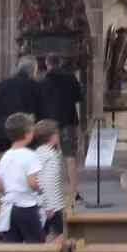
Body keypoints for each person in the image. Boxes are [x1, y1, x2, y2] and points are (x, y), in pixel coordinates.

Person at [39, 54, 83, 200]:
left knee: (49, 157)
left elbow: (40, 103)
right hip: (68, 121)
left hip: (50, 124)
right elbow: (79, 97)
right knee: (70, 157)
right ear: (59, 63)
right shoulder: (70, 78)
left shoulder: (43, 81)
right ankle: (74, 192)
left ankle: (50, 191)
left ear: (47, 64)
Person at [0, 113, 43, 242]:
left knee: (12, 247)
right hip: (27, 207)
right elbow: (32, 183)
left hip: (8, 209)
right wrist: (41, 189)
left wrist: (11, 189)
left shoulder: (5, 156)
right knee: (36, 245)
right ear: (27, 134)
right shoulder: (31, 155)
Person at [0, 57, 42, 153]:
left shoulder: (1, 85)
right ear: (34, 71)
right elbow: (42, 116)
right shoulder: (35, 87)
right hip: (23, 138)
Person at [32, 119, 66, 239]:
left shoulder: (38, 152)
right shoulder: (51, 156)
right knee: (62, 236)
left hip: (40, 202)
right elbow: (48, 182)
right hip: (52, 205)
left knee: (42, 235)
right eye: (57, 133)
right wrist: (49, 206)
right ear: (53, 137)